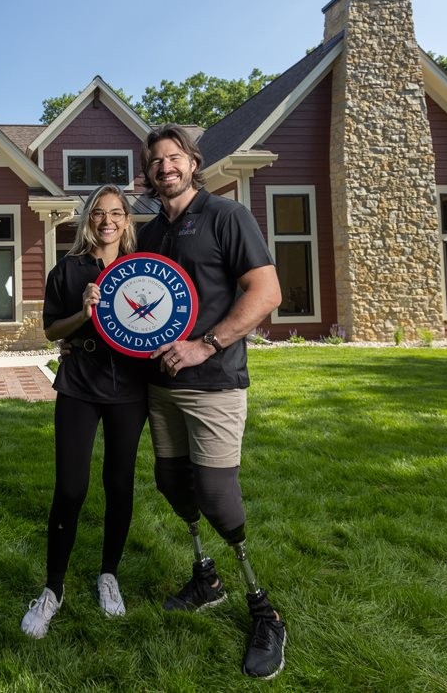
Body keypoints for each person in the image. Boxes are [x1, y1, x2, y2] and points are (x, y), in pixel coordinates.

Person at [137, 125, 288, 680]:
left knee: (220, 498)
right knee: (173, 485)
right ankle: (207, 579)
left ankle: (264, 609)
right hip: (161, 387)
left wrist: (207, 344)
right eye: (155, 161)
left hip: (215, 383)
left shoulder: (227, 216)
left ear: (193, 163)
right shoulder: (150, 233)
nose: (164, 168)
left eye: (173, 158)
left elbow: (267, 292)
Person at [21, 184, 150, 639]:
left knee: (119, 484)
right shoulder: (68, 269)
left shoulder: (141, 270)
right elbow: (49, 331)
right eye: (99, 212)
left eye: (117, 213)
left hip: (130, 386)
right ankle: (52, 589)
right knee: (71, 488)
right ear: (87, 219)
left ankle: (108, 575)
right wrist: (83, 315)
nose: (107, 221)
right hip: (79, 383)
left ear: (127, 221)